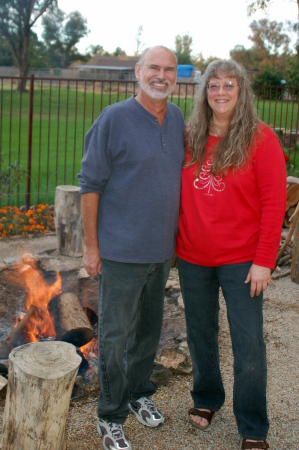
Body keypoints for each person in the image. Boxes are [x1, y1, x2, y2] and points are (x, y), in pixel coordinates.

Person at [78, 45, 185, 450]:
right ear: (137, 72)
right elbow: (90, 185)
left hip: (160, 252)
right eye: (153, 68)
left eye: (169, 69)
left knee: (148, 331)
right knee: (116, 335)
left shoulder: (175, 118)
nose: (161, 75)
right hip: (121, 252)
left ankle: (140, 393)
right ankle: (110, 415)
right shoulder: (114, 118)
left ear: (176, 76)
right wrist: (92, 247)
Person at [176, 59, 286, 450]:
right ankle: (207, 399)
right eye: (213, 86)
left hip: (243, 260)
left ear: (242, 93)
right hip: (192, 257)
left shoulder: (261, 139)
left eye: (229, 86)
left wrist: (265, 260)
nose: (220, 92)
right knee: (200, 334)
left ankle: (253, 424)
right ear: (204, 92)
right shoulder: (190, 137)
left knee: (248, 342)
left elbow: (274, 205)